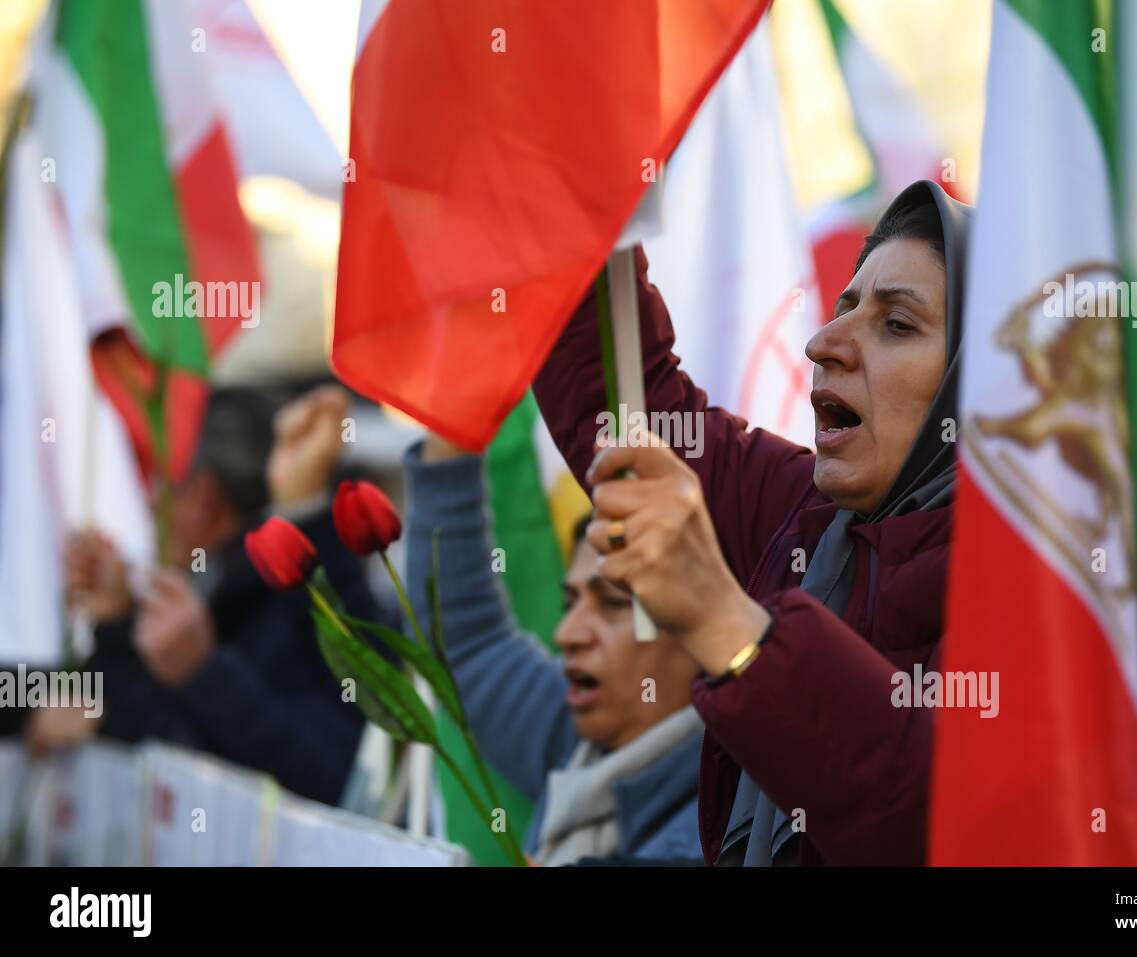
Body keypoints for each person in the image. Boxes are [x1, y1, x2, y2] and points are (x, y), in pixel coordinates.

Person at [530, 181, 968, 865]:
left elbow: (934, 814)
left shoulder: (1041, 588)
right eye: (842, 307)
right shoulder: (805, 517)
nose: (825, 342)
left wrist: (725, 625)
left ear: (984, 382)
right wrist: (572, 171)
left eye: (897, 324)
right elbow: (620, 402)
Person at [30, 385, 377, 806]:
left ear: (202, 494)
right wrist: (118, 622)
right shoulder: (229, 590)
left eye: (162, 480)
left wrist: (203, 672)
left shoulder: (285, 600)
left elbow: (332, 780)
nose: (151, 500)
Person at [405, 432, 705, 864]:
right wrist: (451, 430)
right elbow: (465, 643)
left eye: (614, 605)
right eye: (570, 602)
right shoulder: (574, 742)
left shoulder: (735, 819)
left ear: (706, 625)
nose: (567, 632)